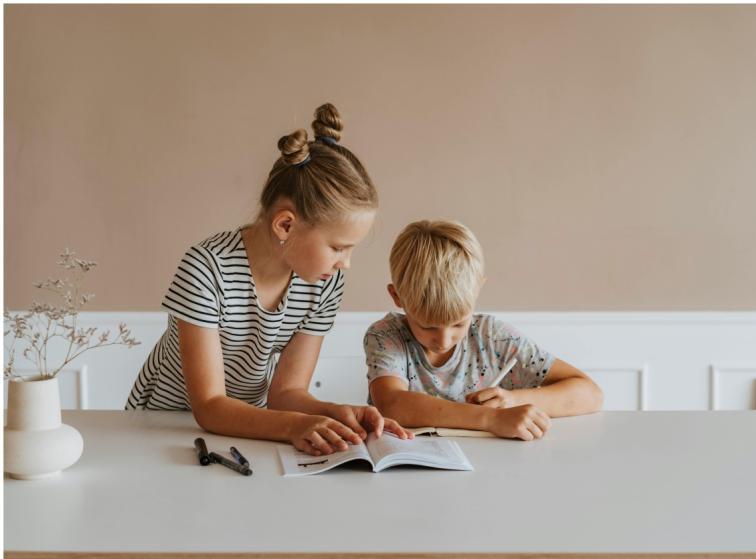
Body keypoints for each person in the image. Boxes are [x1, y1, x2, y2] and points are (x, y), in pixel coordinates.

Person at [126, 103, 411, 456]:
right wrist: (295, 426)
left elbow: (285, 394)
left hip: (247, 428)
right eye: (338, 247)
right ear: (286, 225)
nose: (345, 264)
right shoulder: (205, 269)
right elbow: (210, 405)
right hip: (161, 428)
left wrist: (338, 413)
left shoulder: (324, 283)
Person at [364, 220, 603, 440]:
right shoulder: (386, 335)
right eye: (428, 326)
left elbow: (591, 395)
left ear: (477, 290)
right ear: (397, 296)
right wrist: (491, 419)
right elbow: (393, 404)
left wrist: (512, 401)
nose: (444, 340)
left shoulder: (493, 337)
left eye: (458, 324)